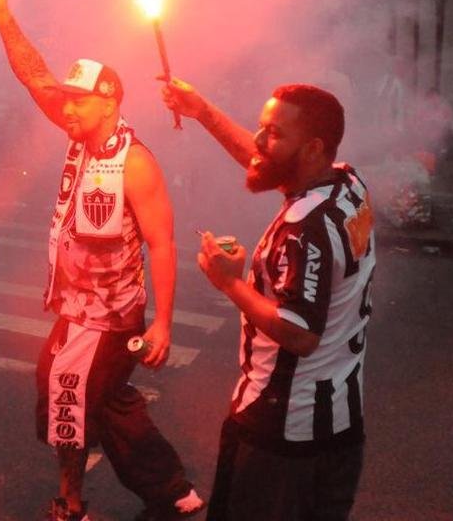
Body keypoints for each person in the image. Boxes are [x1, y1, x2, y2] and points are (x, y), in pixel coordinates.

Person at [0, 0, 202, 521]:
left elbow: (162, 243)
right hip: (76, 308)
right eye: (67, 101)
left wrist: (163, 325)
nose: (66, 110)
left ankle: (71, 502)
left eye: (78, 101)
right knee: (106, 399)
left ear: (108, 102)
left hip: (113, 314)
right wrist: (4, 19)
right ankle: (172, 489)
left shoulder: (136, 162)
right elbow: (35, 79)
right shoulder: (80, 134)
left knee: (67, 391)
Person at [161, 79, 376, 521]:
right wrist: (202, 109)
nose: (259, 140)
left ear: (314, 148)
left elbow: (300, 334)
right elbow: (264, 161)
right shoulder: (348, 184)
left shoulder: (305, 231)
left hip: (282, 436)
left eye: (274, 133)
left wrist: (229, 282)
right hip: (338, 425)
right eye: (262, 127)